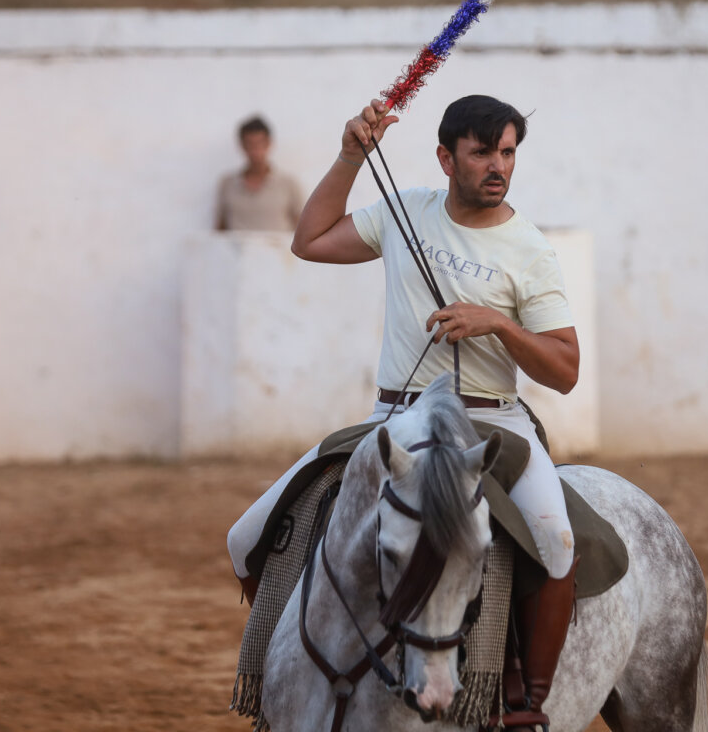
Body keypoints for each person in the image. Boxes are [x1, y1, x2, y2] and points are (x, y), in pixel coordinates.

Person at [226, 95, 579, 731]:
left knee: (556, 541)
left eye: (507, 153)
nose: (497, 166)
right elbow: (309, 241)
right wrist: (349, 158)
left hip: (491, 422)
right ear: (446, 158)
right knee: (245, 537)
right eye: (482, 153)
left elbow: (565, 370)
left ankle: (526, 703)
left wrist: (498, 324)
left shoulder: (529, 249)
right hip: (393, 419)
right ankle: (296, 666)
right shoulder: (405, 210)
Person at [216, 115, 304, 232]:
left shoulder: (288, 183)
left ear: (268, 143)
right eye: (250, 144)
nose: (255, 150)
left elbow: (302, 225)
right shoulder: (227, 183)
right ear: (242, 145)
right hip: (237, 244)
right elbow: (220, 227)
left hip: (276, 243)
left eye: (259, 143)